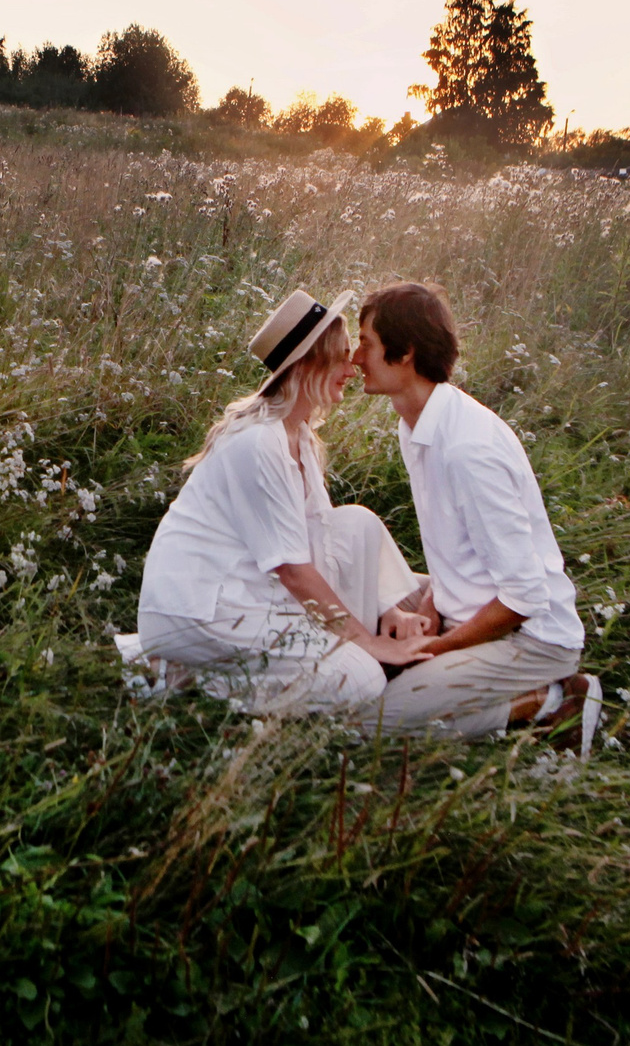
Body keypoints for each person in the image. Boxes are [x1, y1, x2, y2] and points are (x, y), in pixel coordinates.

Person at [133, 288, 431, 716]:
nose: (352, 368)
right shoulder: (260, 442)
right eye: (341, 356)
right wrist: (367, 642)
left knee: (356, 524)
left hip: (246, 588)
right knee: (363, 678)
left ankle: (377, 629)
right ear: (309, 364)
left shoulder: (299, 434)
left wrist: (389, 608)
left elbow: (322, 539)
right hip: (203, 610)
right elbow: (292, 569)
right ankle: (187, 677)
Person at [349, 282, 601, 751]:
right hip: (466, 603)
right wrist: (427, 612)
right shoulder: (416, 425)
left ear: (404, 353)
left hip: (529, 639)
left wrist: (430, 649)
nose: (355, 357)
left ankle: (548, 702)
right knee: (360, 614)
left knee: (369, 724)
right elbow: (454, 554)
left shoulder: (469, 449)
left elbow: (523, 597)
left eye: (366, 343)